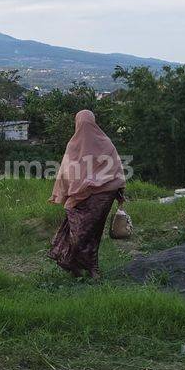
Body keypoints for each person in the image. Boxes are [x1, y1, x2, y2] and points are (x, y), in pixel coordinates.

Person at [48, 110, 126, 279]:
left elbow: (65, 174)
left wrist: (62, 194)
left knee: (80, 234)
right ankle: (86, 268)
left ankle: (85, 267)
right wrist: (118, 191)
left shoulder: (74, 144)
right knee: (91, 234)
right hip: (100, 198)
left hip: (90, 199)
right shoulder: (105, 142)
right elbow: (117, 170)